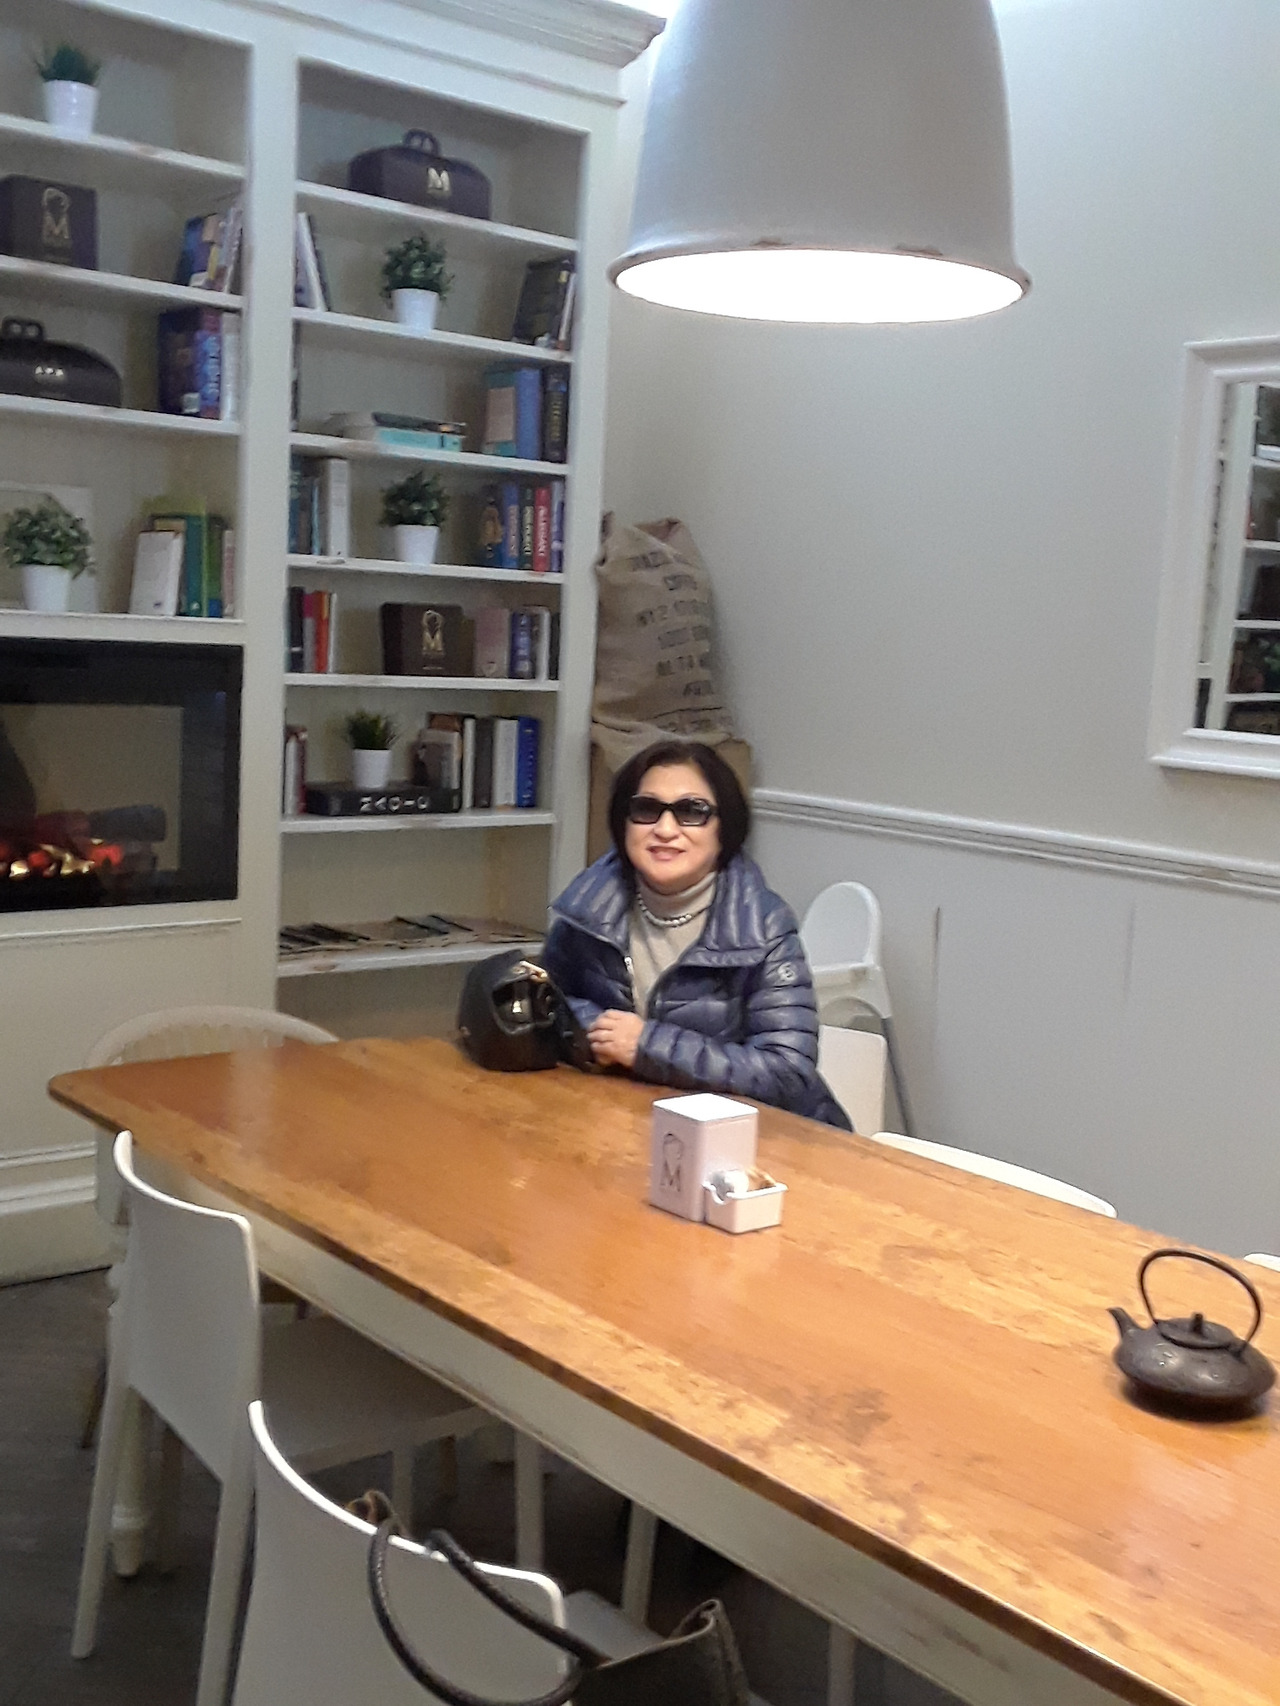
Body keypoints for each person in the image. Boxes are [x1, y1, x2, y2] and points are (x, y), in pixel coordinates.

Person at [542, 738, 852, 1130]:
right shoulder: (588, 905)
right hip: (633, 1118)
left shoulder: (764, 923)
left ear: (725, 828)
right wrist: (598, 1031)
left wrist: (647, 1045)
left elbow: (787, 1072)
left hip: (764, 1138)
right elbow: (545, 1001)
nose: (665, 829)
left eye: (691, 812)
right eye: (646, 810)